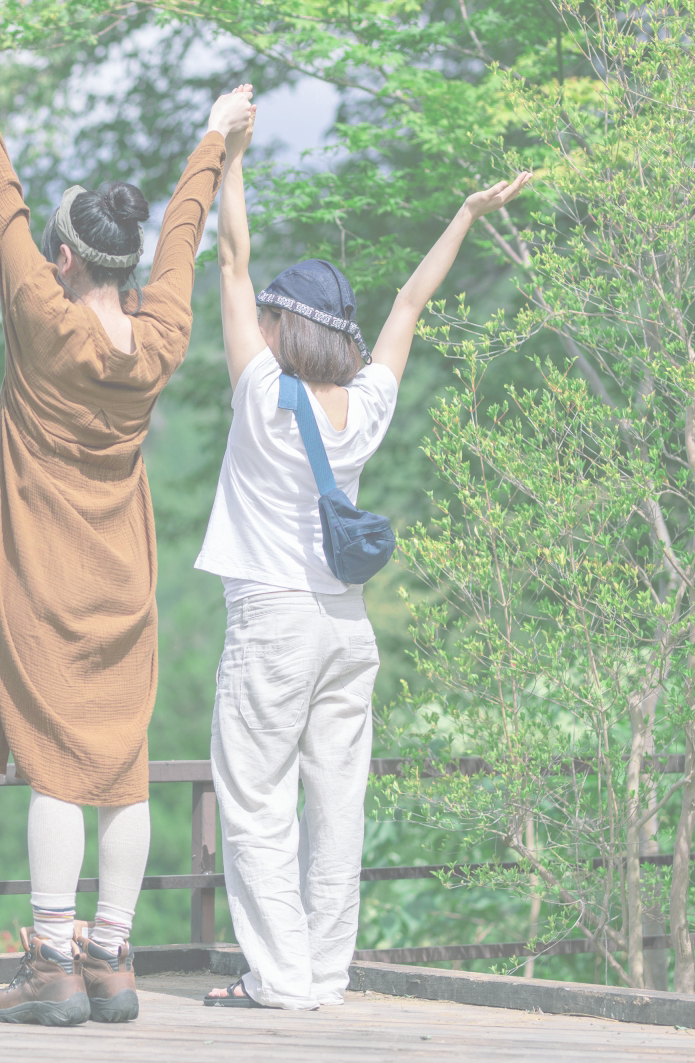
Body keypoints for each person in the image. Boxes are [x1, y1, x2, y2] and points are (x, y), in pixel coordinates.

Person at [195, 112, 531, 1009]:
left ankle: (280, 978)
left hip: (271, 618)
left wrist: (229, 158)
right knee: (335, 804)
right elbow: (411, 303)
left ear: (278, 326)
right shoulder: (367, 407)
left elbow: (229, 259)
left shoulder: (262, 393)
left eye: (264, 314)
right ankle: (326, 974)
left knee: (257, 801)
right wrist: (464, 214)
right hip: (347, 626)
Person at [0, 86, 257, 1026]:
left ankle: (52, 963)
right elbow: (184, 239)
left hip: (44, 580)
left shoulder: (44, 320)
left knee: (56, 769)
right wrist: (212, 136)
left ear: (65, 257)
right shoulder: (159, 340)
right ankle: (113, 959)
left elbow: (2, 202)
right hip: (126, 582)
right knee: (121, 767)